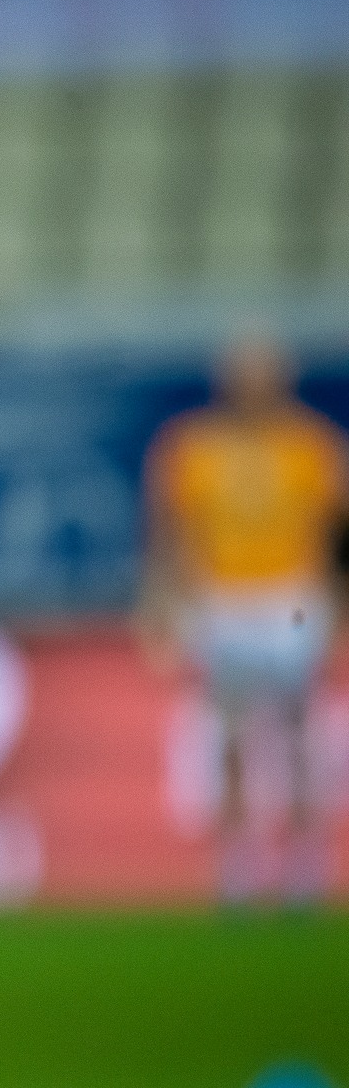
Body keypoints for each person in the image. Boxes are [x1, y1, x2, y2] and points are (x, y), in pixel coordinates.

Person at [141, 336, 347, 905]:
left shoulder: (312, 446)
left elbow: (334, 537)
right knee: (228, 735)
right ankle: (238, 863)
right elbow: (170, 534)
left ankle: (307, 861)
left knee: (302, 733)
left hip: (294, 598)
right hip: (223, 598)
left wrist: (337, 605)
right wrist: (164, 601)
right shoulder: (192, 447)